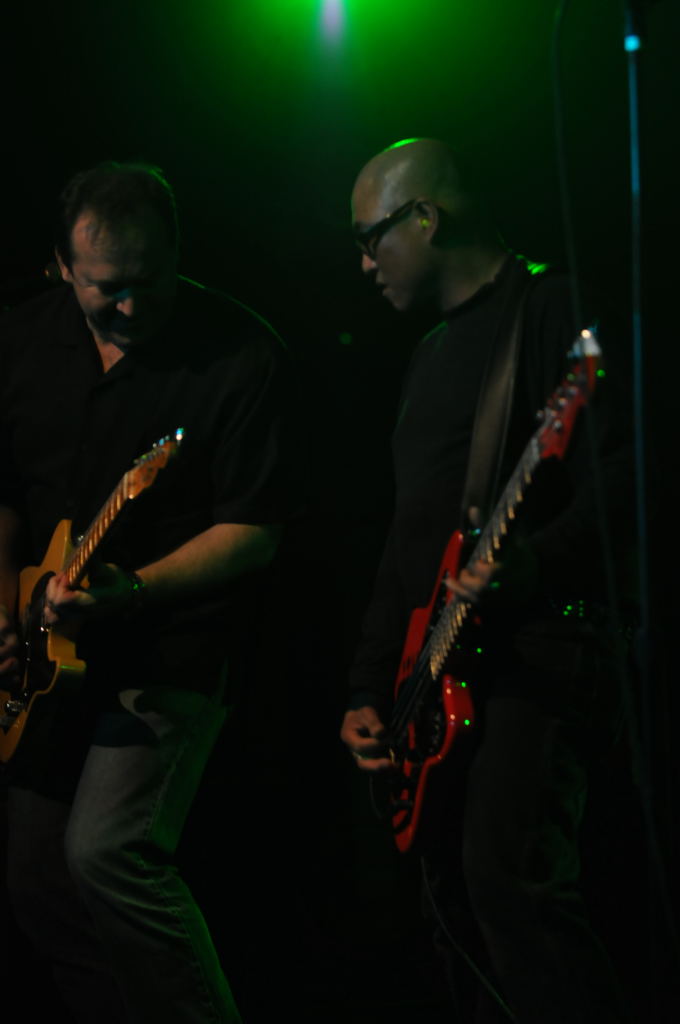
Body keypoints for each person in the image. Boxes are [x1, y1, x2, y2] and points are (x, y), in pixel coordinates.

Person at [0, 161, 302, 1022]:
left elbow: (256, 530)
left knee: (107, 851)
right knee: (33, 877)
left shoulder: (241, 353)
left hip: (171, 647)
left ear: (177, 254)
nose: (132, 308)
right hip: (43, 651)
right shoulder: (21, 339)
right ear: (62, 267)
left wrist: (131, 591)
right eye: (107, 289)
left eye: (151, 282)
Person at [340, 139, 631, 1023]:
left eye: (371, 239)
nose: (364, 265)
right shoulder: (428, 356)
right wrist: (368, 686)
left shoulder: (550, 308)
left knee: (511, 885)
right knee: (451, 909)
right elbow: (405, 545)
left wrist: (532, 563)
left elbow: (628, 479)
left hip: (539, 648)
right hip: (437, 673)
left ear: (425, 217)